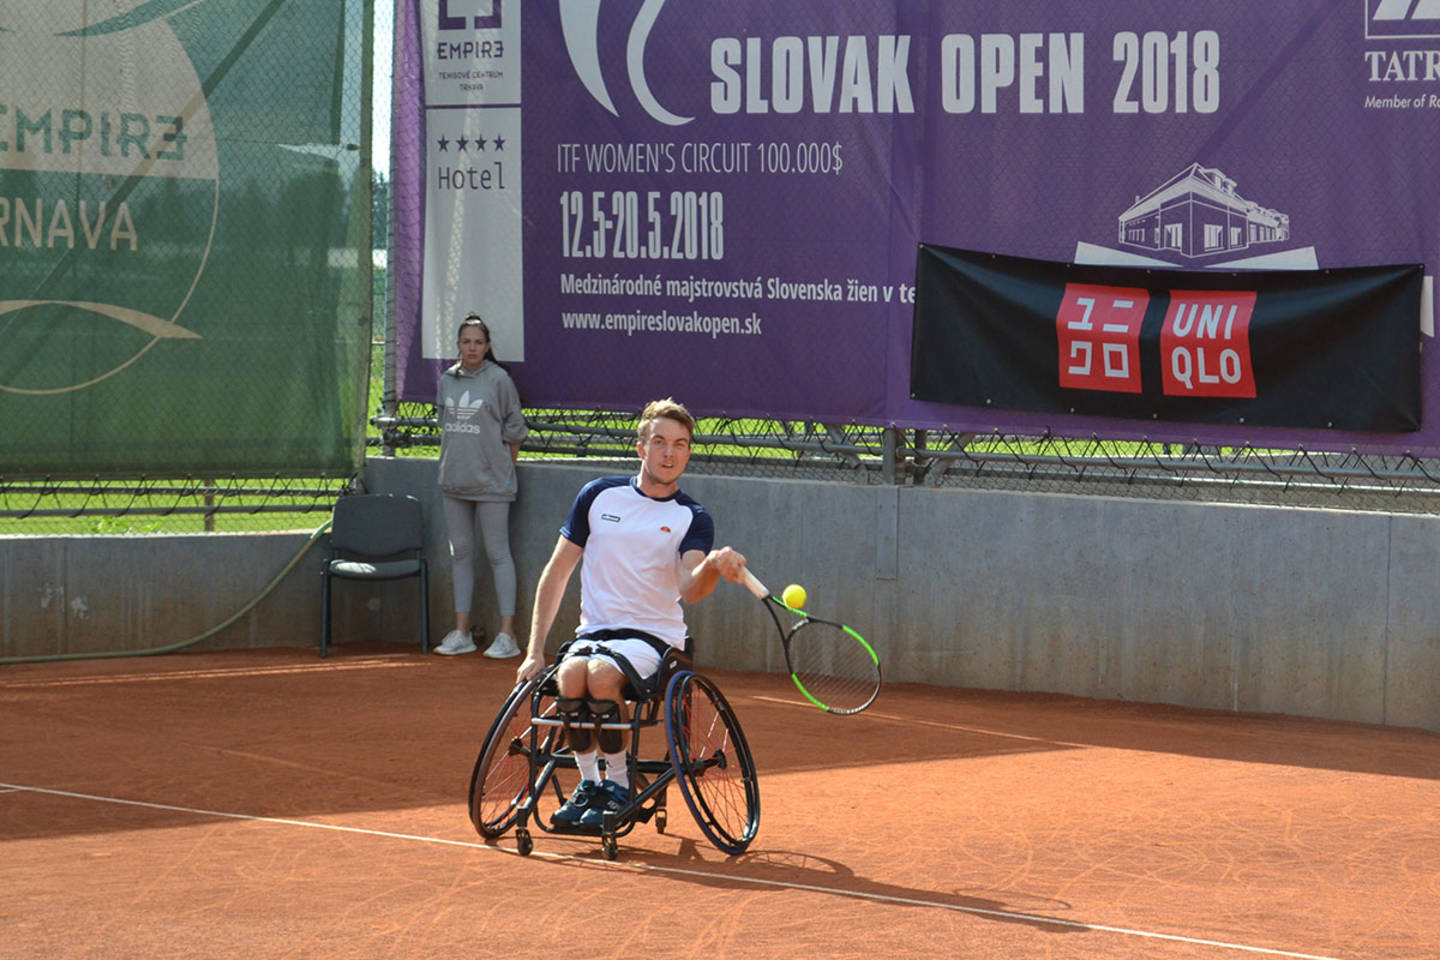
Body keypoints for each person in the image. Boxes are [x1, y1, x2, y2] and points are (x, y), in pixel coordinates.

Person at [517, 398, 748, 828]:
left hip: (653, 638)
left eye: (680, 444)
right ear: (641, 448)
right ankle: (589, 785)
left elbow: (689, 588)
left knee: (602, 677)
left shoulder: (691, 517)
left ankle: (619, 784)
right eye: (659, 442)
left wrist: (713, 566)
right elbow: (558, 571)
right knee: (570, 677)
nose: (669, 453)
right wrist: (534, 651)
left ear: (688, 453)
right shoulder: (598, 495)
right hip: (594, 632)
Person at [434, 314, 529, 658]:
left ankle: (507, 636)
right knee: (460, 554)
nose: (472, 348)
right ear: (458, 346)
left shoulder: (499, 380)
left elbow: (515, 429)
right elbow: (445, 425)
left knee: (497, 553)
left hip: (492, 484)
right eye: (465, 342)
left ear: (487, 347)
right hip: (454, 482)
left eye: (478, 342)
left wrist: (504, 468)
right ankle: (461, 633)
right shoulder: (446, 380)